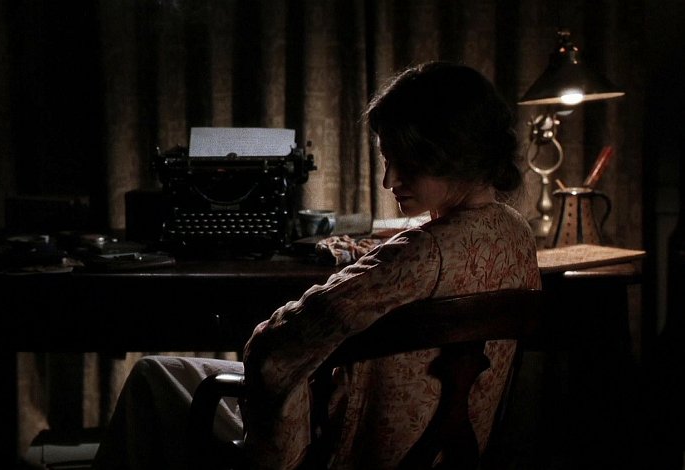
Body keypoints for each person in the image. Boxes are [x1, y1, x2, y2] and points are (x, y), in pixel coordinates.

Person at [92, 61, 541, 470]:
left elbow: (275, 347)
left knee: (151, 376)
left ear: (451, 156)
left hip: (334, 447)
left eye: (405, 164)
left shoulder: (420, 252)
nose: (389, 181)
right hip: (443, 453)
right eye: (387, 162)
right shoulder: (516, 234)